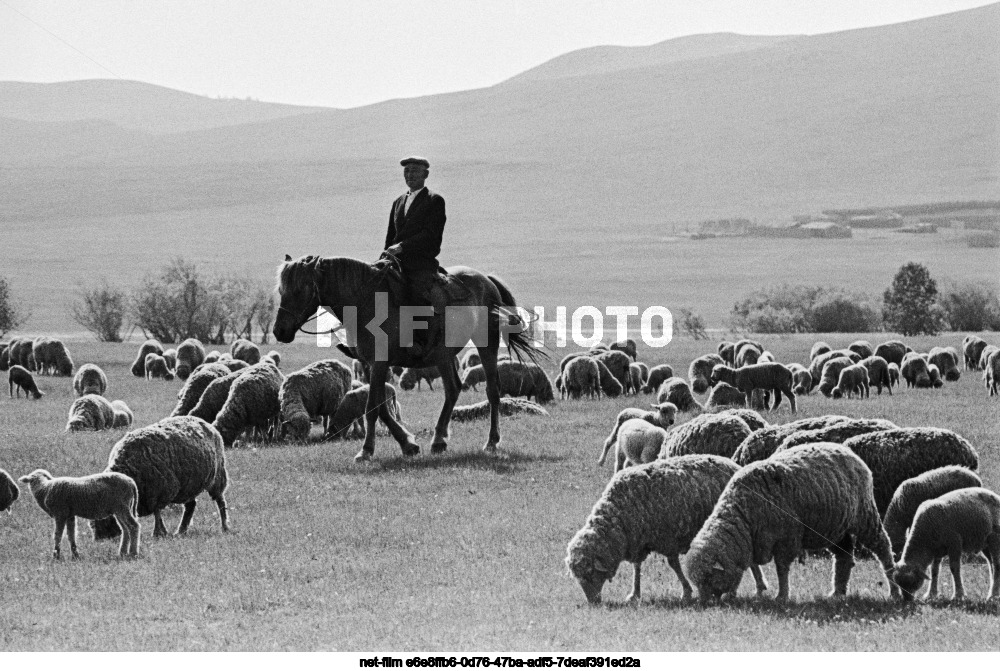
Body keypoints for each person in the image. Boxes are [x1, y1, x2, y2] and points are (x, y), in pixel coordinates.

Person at [383, 156, 448, 357]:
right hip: (396, 262)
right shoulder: (398, 202)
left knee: (416, 292)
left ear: (425, 175)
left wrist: (402, 247)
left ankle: (418, 341)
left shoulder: (434, 201)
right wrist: (383, 258)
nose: (409, 175)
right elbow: (390, 236)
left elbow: (430, 234)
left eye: (414, 171)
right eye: (407, 171)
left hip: (421, 263)